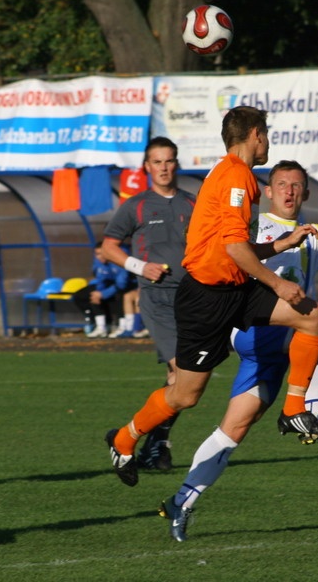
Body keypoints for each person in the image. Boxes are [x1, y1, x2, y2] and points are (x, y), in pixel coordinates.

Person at [106, 106, 318, 489]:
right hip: (207, 298)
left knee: (313, 316)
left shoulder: (229, 172)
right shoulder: (236, 177)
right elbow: (233, 247)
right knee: (185, 394)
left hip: (236, 288)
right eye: (265, 133)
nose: (267, 141)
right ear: (254, 135)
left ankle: (295, 409)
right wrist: (277, 284)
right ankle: (123, 439)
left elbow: (230, 245)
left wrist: (279, 244)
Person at [159, 162, 318, 541]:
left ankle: (181, 501)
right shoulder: (251, 229)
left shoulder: (315, 235)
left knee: (232, 431)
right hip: (253, 334)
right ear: (269, 192)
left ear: (305, 194)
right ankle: (310, 409)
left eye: (296, 185)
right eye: (281, 184)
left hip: (282, 351)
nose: (289, 191)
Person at [101, 136, 195, 470]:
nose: (164, 167)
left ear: (177, 163)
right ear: (147, 167)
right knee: (184, 375)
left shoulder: (192, 203)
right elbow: (109, 246)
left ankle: (148, 444)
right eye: (157, 162)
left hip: (193, 297)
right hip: (157, 298)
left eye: (169, 160)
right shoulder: (136, 205)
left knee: (181, 381)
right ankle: (150, 444)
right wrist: (141, 267)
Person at [72, 241, 131, 338]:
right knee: (86, 295)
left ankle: (122, 326)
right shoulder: (98, 263)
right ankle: (100, 326)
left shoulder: (119, 260)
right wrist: (98, 292)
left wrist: (103, 294)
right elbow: (100, 279)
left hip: (126, 286)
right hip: (109, 286)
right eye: (97, 254)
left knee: (120, 295)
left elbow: (121, 284)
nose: (99, 257)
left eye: (101, 254)